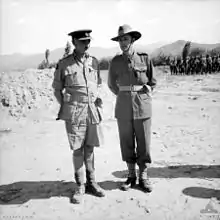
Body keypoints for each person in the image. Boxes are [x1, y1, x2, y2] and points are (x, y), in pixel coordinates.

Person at [52, 29, 105, 204]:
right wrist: (67, 105)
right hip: (74, 111)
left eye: (88, 40)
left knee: (90, 147)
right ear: (74, 42)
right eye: (83, 41)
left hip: (91, 109)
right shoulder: (64, 64)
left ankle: (92, 182)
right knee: (77, 149)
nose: (87, 44)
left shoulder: (94, 62)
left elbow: (97, 84)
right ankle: (80, 184)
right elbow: (57, 89)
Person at [108, 24, 157, 193]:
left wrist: (144, 91)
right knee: (127, 142)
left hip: (143, 107)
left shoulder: (144, 58)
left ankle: (143, 176)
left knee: (144, 142)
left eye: (125, 39)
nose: (122, 43)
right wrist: (124, 95)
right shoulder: (115, 62)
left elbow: (152, 80)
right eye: (120, 39)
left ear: (132, 40)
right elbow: (111, 84)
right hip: (123, 108)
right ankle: (131, 175)